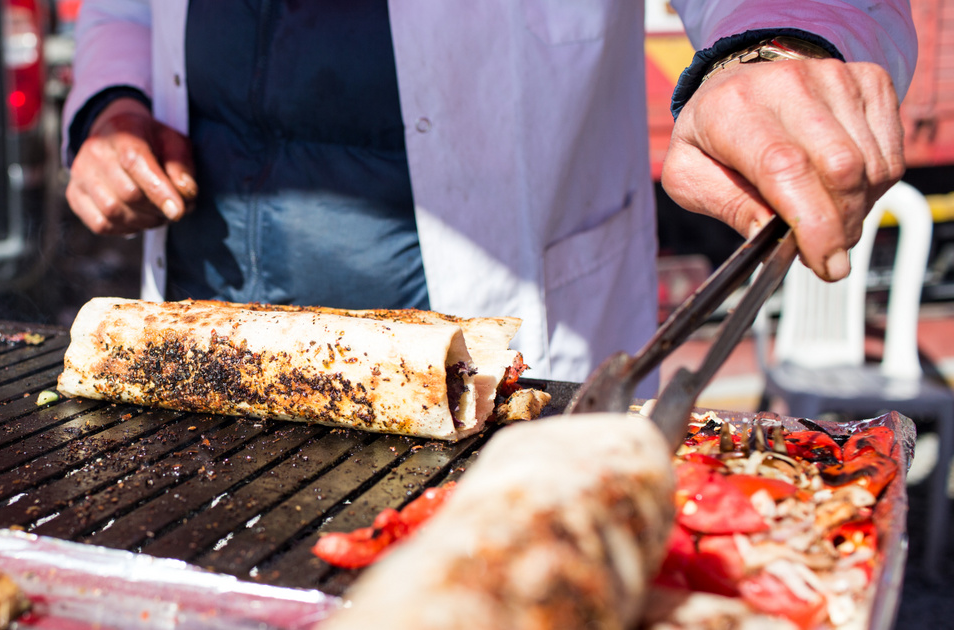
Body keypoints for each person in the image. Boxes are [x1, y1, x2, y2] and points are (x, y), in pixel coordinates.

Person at [61, 1, 915, 391]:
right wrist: (113, 104)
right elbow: (121, 11)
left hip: (479, 346)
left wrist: (777, 49)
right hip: (211, 314)